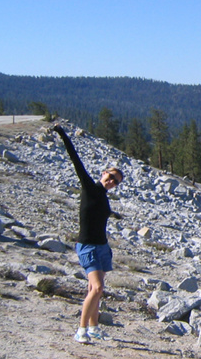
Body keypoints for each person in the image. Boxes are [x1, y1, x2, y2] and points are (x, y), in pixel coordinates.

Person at [53, 124, 124, 344]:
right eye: (110, 177)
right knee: (97, 288)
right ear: (104, 173)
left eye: (116, 182)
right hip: (88, 246)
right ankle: (81, 330)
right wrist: (62, 133)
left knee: (96, 290)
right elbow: (75, 158)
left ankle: (93, 328)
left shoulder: (104, 196)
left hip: (102, 247)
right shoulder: (89, 187)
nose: (111, 182)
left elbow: (99, 214)